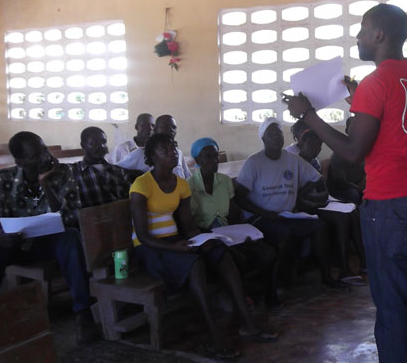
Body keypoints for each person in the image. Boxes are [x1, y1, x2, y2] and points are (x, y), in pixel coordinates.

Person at [286, 3, 407, 363]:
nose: (358, 36)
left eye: (363, 29)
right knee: (398, 294)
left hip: (390, 204)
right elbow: (393, 122)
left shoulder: (377, 82)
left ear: (379, 35)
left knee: (389, 300)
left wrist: (307, 115)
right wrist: (356, 99)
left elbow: (354, 151)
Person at [130, 133, 277, 359]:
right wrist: (175, 248)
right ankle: (214, 335)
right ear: (152, 156)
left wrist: (204, 240)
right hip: (150, 248)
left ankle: (247, 323)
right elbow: (142, 234)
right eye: (164, 150)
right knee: (195, 264)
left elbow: (188, 226)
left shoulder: (180, 184)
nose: (172, 154)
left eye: (173, 149)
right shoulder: (142, 185)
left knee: (220, 252)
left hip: (175, 240)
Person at [0, 131, 97, 344]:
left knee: (72, 237)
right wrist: (1, 235)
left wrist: (45, 182)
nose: (45, 157)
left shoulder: (63, 173)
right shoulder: (0, 179)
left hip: (49, 242)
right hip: (13, 244)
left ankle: (84, 314)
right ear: (19, 161)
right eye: (36, 155)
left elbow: (70, 216)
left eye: (45, 150)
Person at [234, 117, 345, 296]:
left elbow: (317, 179)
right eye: (271, 134)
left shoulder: (292, 160)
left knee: (320, 227)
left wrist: (302, 193)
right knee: (284, 235)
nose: (277, 138)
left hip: (288, 216)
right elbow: (239, 197)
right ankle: (276, 285)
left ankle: (326, 277)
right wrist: (265, 213)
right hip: (262, 218)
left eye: (278, 133)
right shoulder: (254, 163)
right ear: (263, 139)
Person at [187, 137, 277, 305]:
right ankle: (239, 297)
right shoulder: (190, 186)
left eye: (216, 156)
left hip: (227, 232)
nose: (214, 160)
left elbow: (234, 212)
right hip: (206, 236)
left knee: (267, 252)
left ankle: (269, 294)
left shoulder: (224, 181)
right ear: (198, 160)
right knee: (238, 258)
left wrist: (242, 234)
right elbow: (190, 222)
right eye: (208, 156)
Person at [285, 121, 366, 284]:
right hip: (302, 209)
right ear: (302, 143)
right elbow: (296, 196)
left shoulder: (313, 163)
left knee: (352, 211)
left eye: (319, 145)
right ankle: (344, 269)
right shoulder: (293, 162)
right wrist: (314, 198)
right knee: (341, 218)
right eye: (313, 145)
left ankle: (363, 262)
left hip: (318, 203)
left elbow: (322, 189)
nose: (317, 149)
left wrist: (316, 198)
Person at [71, 126, 137, 208]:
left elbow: (129, 201)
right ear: (83, 145)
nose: (101, 146)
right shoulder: (73, 172)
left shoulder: (118, 171)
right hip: (89, 219)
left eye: (104, 142)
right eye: (95, 143)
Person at [117, 115, 192, 179]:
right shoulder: (140, 153)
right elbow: (117, 170)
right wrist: (137, 175)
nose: (171, 130)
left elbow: (188, 178)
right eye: (164, 127)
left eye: (174, 127)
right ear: (155, 130)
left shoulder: (178, 154)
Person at [327, 117, 366, 206]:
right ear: (347, 130)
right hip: (340, 190)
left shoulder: (364, 150)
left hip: (357, 187)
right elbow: (341, 182)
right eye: (354, 126)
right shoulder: (340, 153)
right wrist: (360, 189)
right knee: (353, 194)